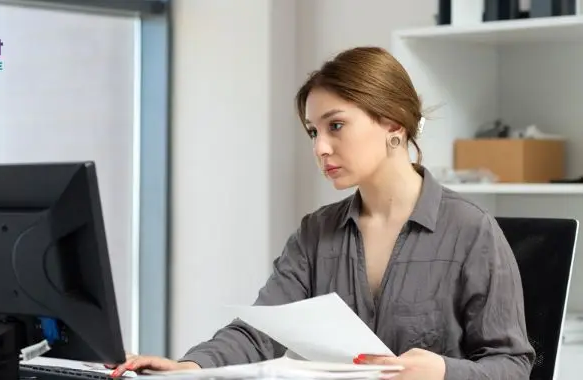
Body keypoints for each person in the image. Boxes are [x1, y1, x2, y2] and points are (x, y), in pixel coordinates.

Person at [110, 46, 535, 380]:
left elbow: (512, 366)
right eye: (314, 131)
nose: (320, 148)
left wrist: (443, 372)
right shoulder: (317, 232)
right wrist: (189, 369)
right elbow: (260, 332)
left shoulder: (471, 230)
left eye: (335, 126)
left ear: (393, 125)